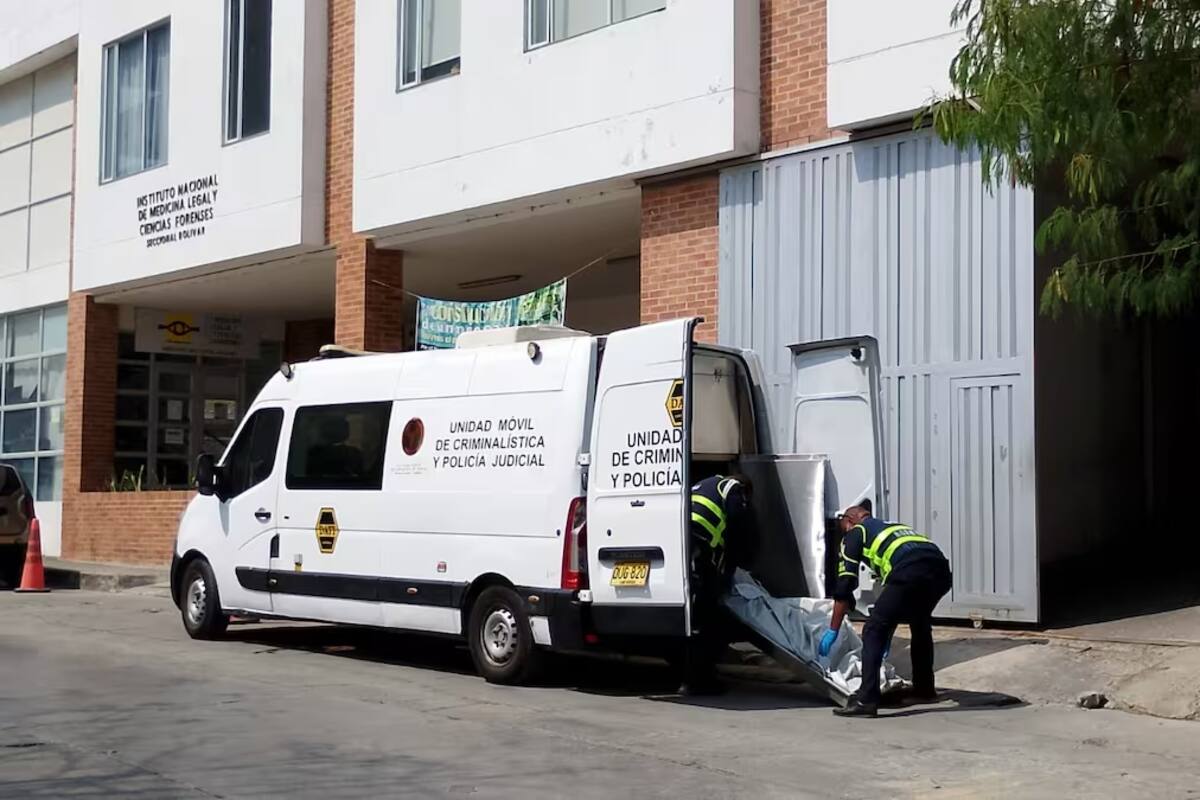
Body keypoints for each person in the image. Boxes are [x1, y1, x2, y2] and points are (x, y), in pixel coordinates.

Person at [818, 502, 951, 717]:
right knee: (920, 624)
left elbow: (845, 586)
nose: (843, 532)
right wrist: (887, 630)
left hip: (910, 569)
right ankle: (924, 689)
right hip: (940, 571)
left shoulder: (856, 533)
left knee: (872, 629)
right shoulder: (893, 527)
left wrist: (833, 629)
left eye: (842, 526)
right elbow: (893, 601)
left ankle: (866, 701)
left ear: (849, 520)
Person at [680, 473, 753, 695]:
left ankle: (690, 678)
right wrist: (731, 569)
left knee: (694, 619)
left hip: (684, 546)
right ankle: (700, 680)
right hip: (699, 548)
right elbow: (737, 527)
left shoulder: (702, 484)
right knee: (711, 617)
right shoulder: (732, 487)